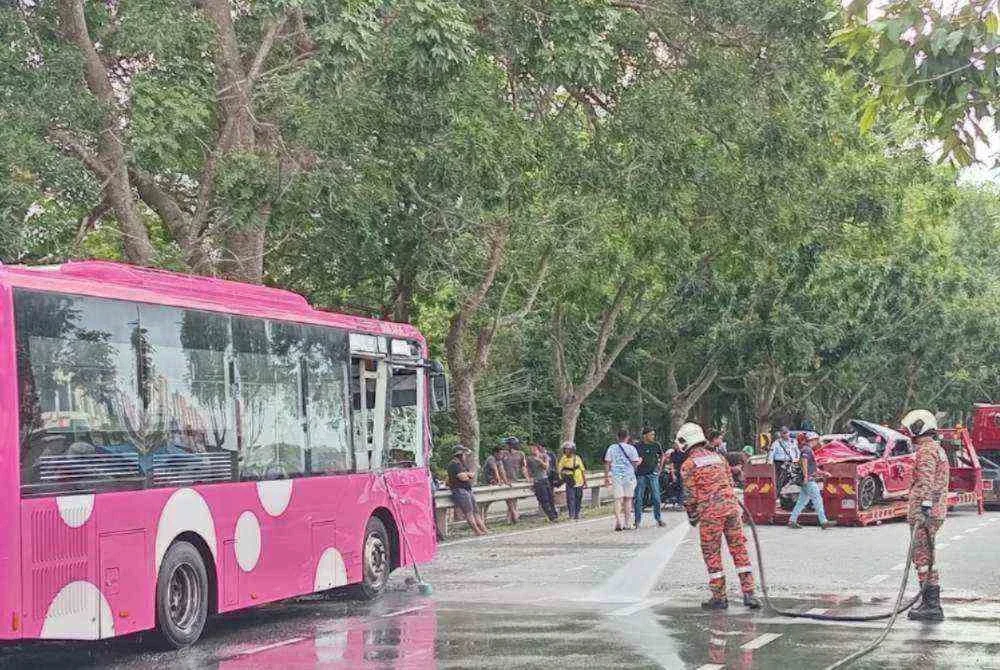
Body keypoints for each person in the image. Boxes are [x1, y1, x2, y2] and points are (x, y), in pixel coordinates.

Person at [677, 422, 761, 610]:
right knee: (739, 549)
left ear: (686, 442)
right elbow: (730, 482)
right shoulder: (718, 457)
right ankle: (749, 594)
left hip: (710, 514)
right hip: (731, 509)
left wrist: (692, 515)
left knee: (712, 553)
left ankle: (719, 597)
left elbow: (690, 496)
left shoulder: (689, 465)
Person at [901, 409, 950, 622]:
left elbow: (926, 480)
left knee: (922, 557)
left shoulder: (926, 450)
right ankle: (930, 601)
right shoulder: (936, 448)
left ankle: (931, 605)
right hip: (933, 512)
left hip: (926, 513)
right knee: (927, 558)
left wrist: (923, 508)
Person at [788, 434, 836, 529]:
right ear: (810, 440)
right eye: (815, 440)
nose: (816, 442)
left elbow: (812, 468)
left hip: (807, 480)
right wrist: (806, 477)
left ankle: (792, 520)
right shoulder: (807, 450)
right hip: (809, 480)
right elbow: (804, 462)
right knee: (818, 500)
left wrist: (823, 473)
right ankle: (823, 522)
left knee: (801, 502)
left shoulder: (806, 450)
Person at [604, 429, 641, 531]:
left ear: (617, 437)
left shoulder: (612, 448)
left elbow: (607, 462)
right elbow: (635, 464)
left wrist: (606, 476)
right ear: (627, 437)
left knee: (618, 499)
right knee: (628, 499)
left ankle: (618, 521)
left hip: (616, 476)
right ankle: (627, 523)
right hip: (629, 476)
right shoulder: (632, 448)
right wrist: (639, 462)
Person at [446, 446, 487, 535]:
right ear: (460, 455)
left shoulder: (462, 464)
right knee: (469, 512)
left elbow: (471, 475)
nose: (465, 456)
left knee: (476, 511)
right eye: (464, 454)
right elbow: (463, 477)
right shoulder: (453, 465)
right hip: (460, 490)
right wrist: (468, 475)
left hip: (467, 489)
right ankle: (477, 531)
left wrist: (467, 474)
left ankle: (484, 529)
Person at [634, 426, 667, 528]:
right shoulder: (638, 446)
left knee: (656, 497)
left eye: (653, 434)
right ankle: (637, 520)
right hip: (641, 474)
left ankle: (658, 518)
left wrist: (660, 467)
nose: (653, 436)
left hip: (652, 473)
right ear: (645, 435)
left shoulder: (656, 445)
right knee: (639, 497)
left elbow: (662, 455)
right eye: (651, 434)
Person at [528, 443, 559, 521]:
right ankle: (551, 516)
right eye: (530, 449)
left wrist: (540, 461)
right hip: (537, 481)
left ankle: (554, 514)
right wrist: (529, 478)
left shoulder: (544, 456)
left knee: (550, 498)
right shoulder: (529, 459)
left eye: (533, 448)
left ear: (537, 449)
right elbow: (527, 470)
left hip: (545, 479)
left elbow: (546, 467)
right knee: (544, 500)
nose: (531, 450)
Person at [500, 437, 526, 523]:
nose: (505, 446)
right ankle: (514, 515)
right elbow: (499, 466)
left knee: (514, 500)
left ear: (511, 445)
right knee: (509, 499)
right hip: (506, 479)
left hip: (515, 479)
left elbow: (523, 467)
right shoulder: (503, 453)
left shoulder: (521, 454)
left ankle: (510, 519)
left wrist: (527, 477)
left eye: (507, 444)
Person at [558, 442, 586, 520]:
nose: (567, 451)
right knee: (570, 498)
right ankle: (571, 514)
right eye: (565, 449)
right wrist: (562, 477)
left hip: (579, 481)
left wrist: (585, 481)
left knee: (578, 497)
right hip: (570, 482)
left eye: (568, 449)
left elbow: (582, 470)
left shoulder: (577, 458)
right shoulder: (563, 459)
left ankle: (577, 513)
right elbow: (559, 469)